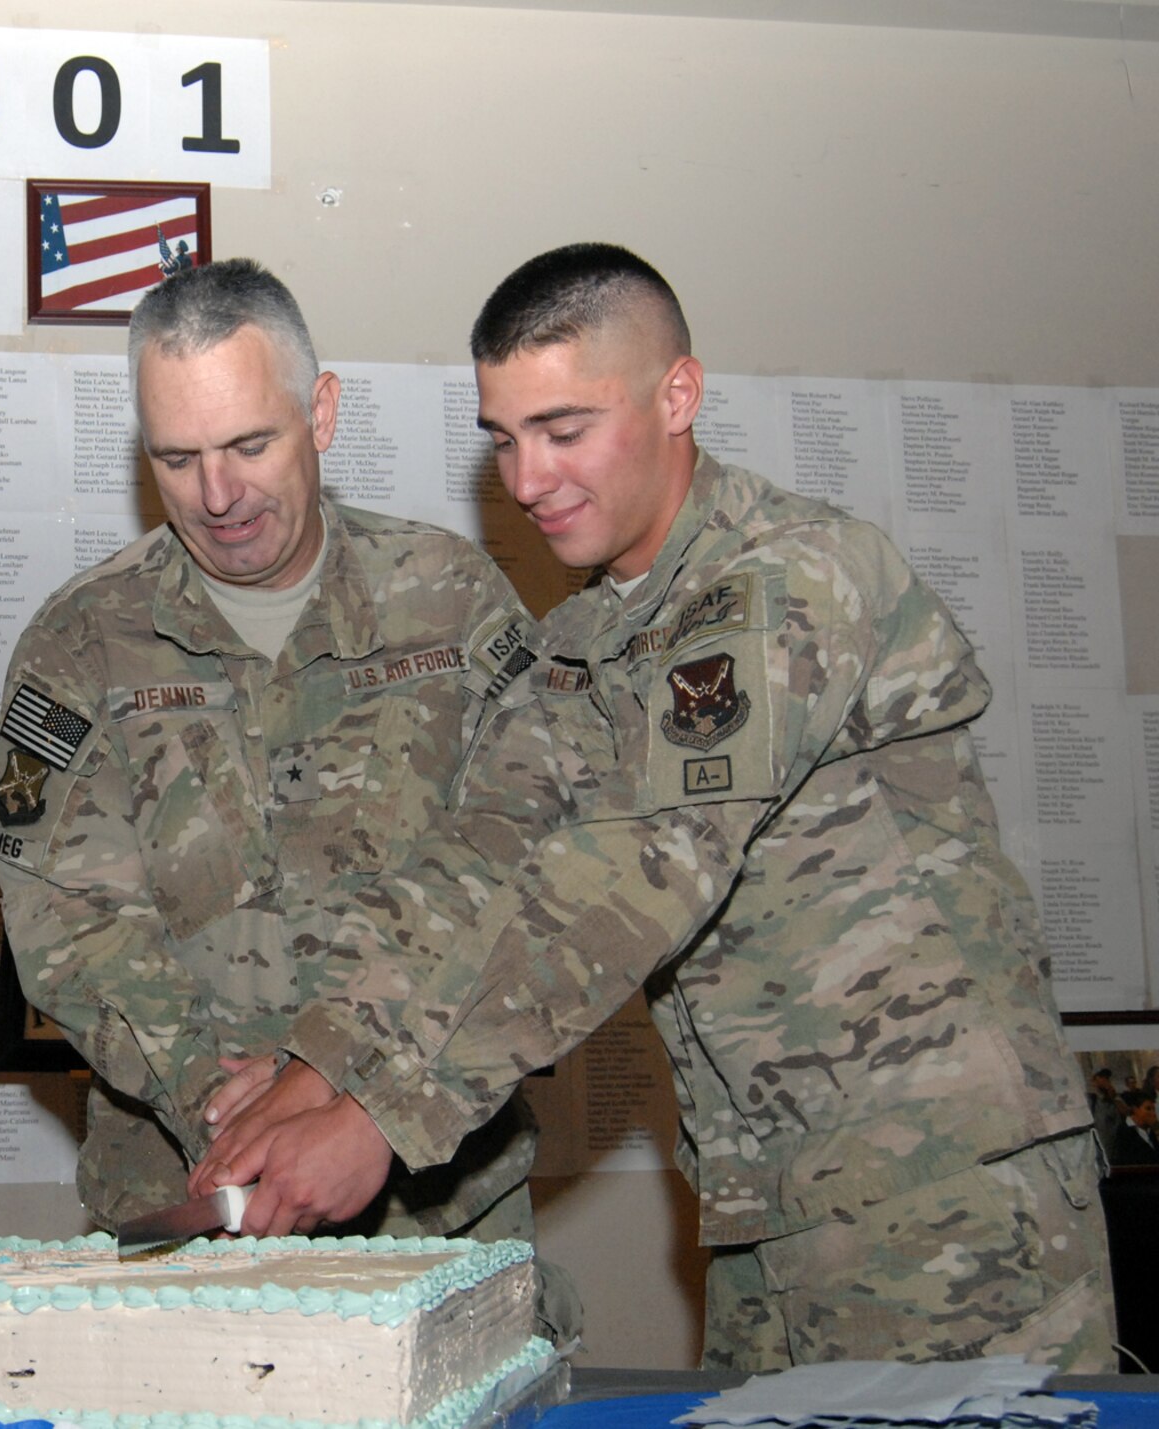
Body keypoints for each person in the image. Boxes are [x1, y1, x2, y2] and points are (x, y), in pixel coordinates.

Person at [200, 242, 1112, 1371]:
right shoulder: (585, 642)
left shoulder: (790, 577)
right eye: (503, 438)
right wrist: (320, 1060)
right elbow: (477, 861)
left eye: (563, 430)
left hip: (945, 1195)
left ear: (677, 395)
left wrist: (382, 1117)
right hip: (764, 1198)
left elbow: (638, 870)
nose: (526, 479)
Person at [0, 258, 558, 1272]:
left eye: (250, 445)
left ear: (319, 412)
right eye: (178, 458)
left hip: (434, 1207)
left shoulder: (451, 602)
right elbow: (64, 918)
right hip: (190, 1204)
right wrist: (226, 1103)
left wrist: (358, 1089)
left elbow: (536, 869)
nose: (218, 495)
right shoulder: (81, 642)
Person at [1113, 1090, 1159, 1167]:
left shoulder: (1152, 1132)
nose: (1153, 1113)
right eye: (1148, 1109)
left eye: (1153, 1109)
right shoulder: (1124, 1132)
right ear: (1135, 1109)